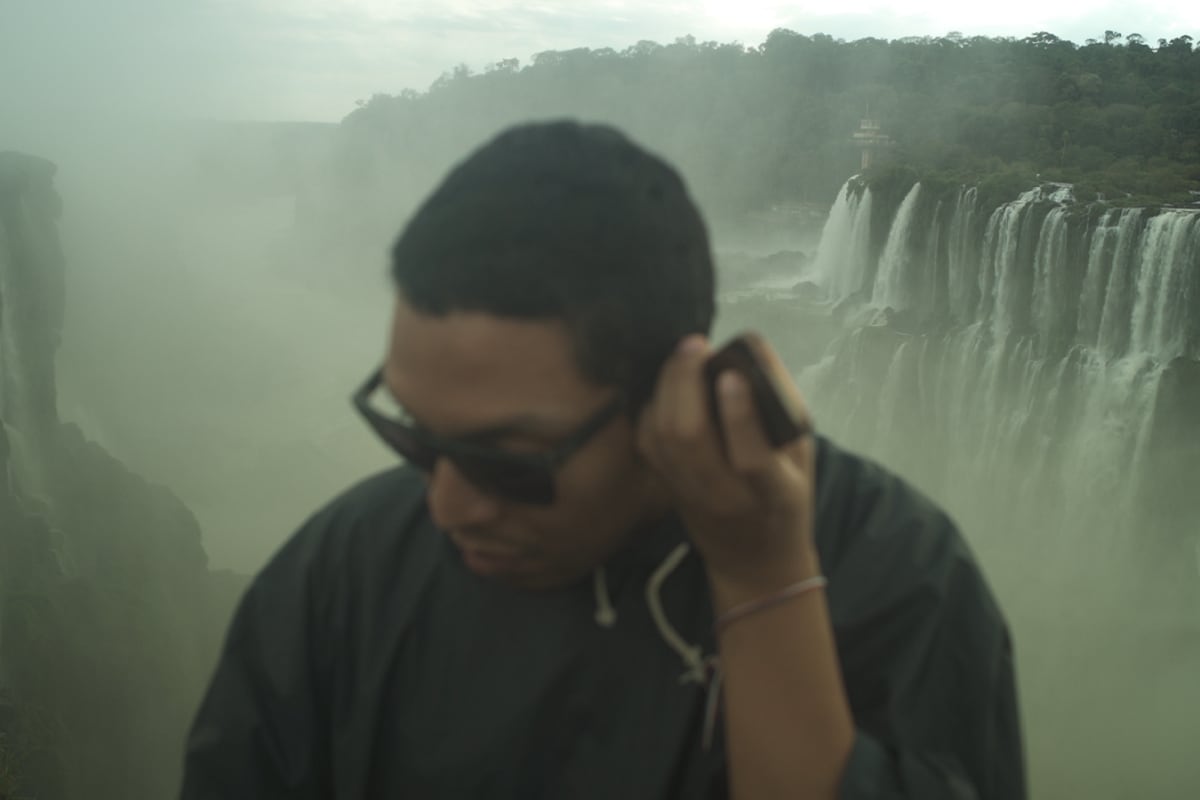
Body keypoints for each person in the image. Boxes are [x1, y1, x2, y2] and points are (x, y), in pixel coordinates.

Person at [180, 120, 1026, 799]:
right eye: (413, 433)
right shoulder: (347, 571)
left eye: (509, 460)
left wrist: (765, 580)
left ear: (672, 397)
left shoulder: (899, 580)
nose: (446, 507)